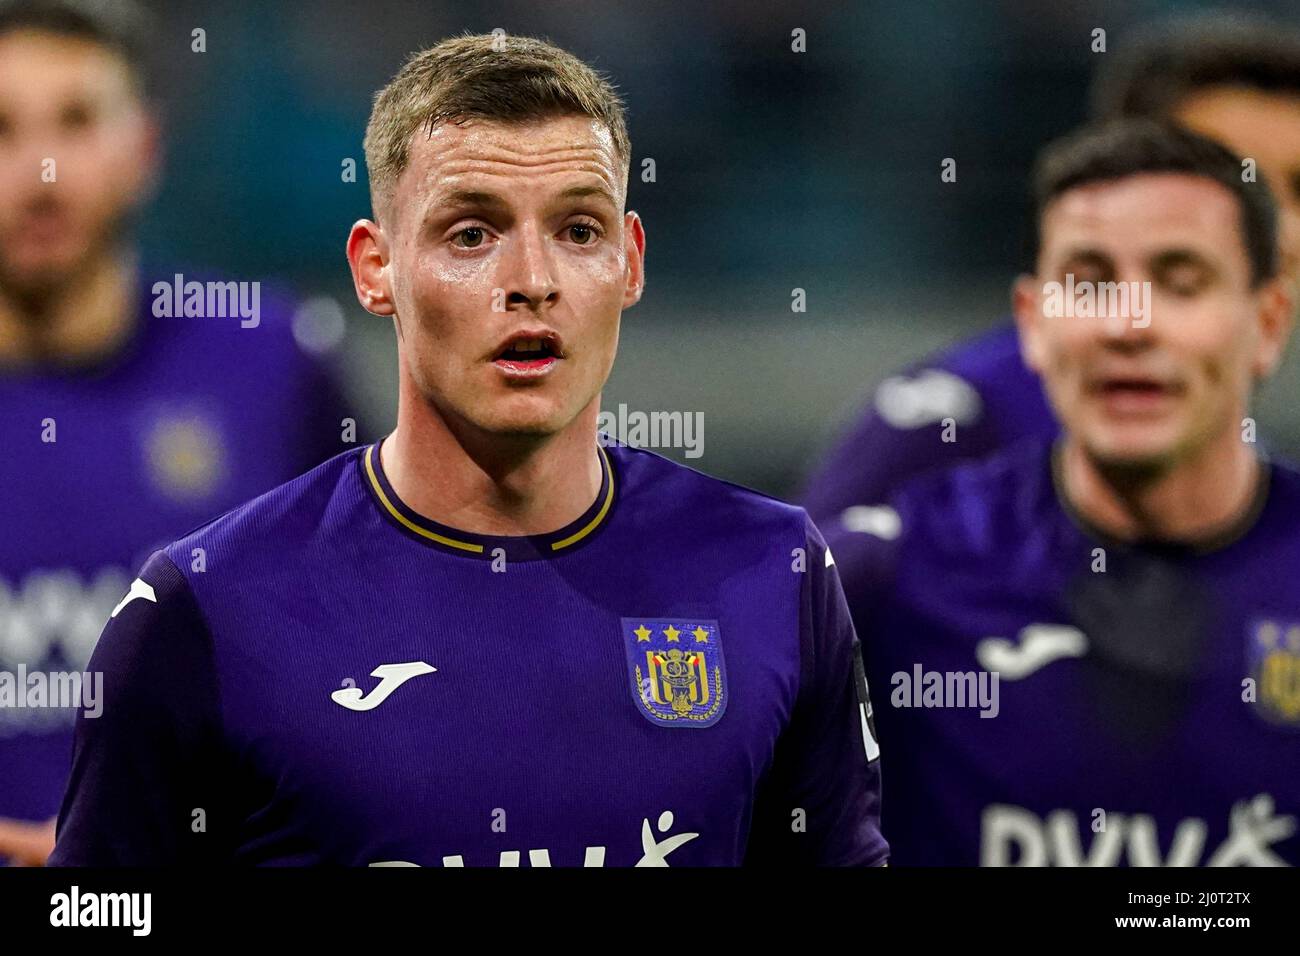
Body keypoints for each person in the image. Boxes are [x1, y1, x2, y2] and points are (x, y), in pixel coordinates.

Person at [49, 33, 887, 867]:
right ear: (375, 270)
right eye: (472, 234)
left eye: (579, 229)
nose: (532, 277)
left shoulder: (774, 574)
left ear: (630, 264)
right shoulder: (207, 609)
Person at [828, 119, 1298, 866]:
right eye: (1089, 283)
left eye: (1181, 282)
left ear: (1268, 322)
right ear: (1034, 324)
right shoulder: (881, 584)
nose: (1128, 326)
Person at [0, 0, 354, 864]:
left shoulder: (273, 366)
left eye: (78, 121)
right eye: (1, 127)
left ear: (145, 149)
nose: (42, 171)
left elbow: (370, 668)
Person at [801, 13, 1300, 522]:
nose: (1281, 229)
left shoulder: (1256, 484)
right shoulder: (951, 427)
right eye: (1237, 183)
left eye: (1299, 188)